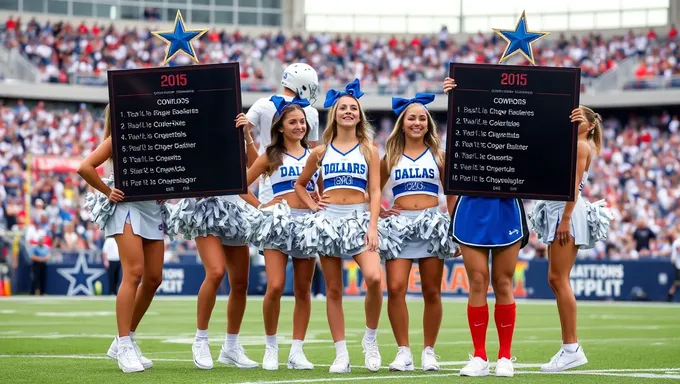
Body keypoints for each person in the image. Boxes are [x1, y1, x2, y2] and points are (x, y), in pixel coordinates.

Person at [294, 78, 383, 374]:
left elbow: (376, 191)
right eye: (342, 107)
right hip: (329, 220)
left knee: (373, 278)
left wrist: (372, 225)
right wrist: (313, 207)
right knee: (334, 290)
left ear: (359, 115)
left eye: (352, 108)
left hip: (359, 219)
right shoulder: (320, 151)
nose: (348, 112)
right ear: (335, 113)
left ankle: (370, 341)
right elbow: (300, 184)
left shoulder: (369, 149)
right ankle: (341, 353)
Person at [443, 77, 529, 378]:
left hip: (505, 207)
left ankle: (504, 356)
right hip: (471, 208)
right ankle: (479, 356)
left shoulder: (517, 129)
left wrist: (563, 115)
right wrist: (455, 95)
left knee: (503, 282)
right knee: (477, 282)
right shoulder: (465, 128)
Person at [167, 118, 260, 371]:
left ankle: (231, 347)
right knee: (216, 271)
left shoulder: (234, 134)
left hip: (233, 209)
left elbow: (256, 165)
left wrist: (246, 136)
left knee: (240, 283)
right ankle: (201, 340)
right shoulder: (192, 134)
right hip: (204, 208)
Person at [79, 105, 166, 373]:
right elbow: (85, 167)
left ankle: (122, 338)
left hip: (153, 208)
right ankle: (125, 345)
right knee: (134, 272)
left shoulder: (158, 135)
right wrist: (107, 191)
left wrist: (166, 187)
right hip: (127, 207)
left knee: (154, 278)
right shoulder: (118, 137)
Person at [239, 96, 319, 370]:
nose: (299, 126)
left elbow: (319, 190)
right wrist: (262, 205)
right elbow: (241, 186)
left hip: (307, 225)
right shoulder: (271, 156)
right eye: (293, 122)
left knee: (303, 290)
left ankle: (297, 350)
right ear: (280, 127)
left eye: (302, 122)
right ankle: (271, 347)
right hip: (277, 223)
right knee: (274, 286)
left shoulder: (314, 155)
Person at [530, 106, 612, 372]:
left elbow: (573, 186)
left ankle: (572, 348)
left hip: (566, 212)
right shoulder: (571, 144)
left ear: (589, 125)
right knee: (555, 278)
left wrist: (565, 219)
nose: (572, 120)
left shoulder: (581, 145)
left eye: (579, 118)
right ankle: (569, 348)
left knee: (559, 278)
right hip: (559, 210)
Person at [379, 93, 456, 372]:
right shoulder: (391, 155)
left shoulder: (439, 155)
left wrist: (453, 228)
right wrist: (381, 212)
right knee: (396, 288)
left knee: (431, 291)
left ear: (428, 124)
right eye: (411, 118)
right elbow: (372, 190)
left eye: (422, 118)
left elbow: (452, 193)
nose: (417, 122)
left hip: (432, 225)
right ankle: (403, 351)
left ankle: (428, 351)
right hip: (399, 228)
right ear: (402, 122)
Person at [243, 63, 320, 205]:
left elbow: (241, 129)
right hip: (302, 174)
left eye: (301, 122)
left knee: (272, 219)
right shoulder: (311, 111)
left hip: (270, 173)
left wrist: (249, 144)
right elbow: (313, 150)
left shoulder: (263, 103)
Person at [668, 229, 680, 302]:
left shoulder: (675, 242)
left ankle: (670, 294)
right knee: (677, 282)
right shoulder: (677, 242)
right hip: (678, 265)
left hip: (677, 263)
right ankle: (670, 295)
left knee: (677, 282)